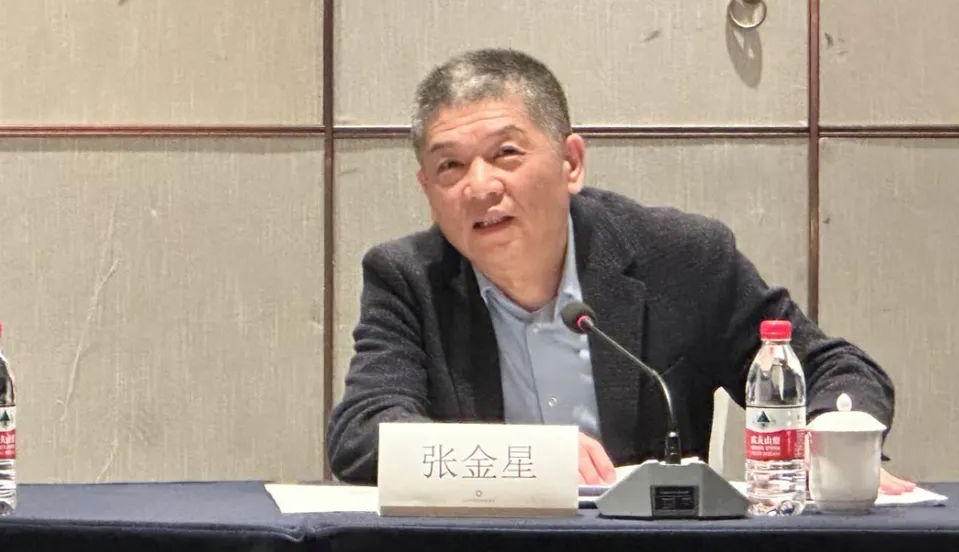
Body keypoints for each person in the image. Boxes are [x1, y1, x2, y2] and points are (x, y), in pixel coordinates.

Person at [327, 48, 914, 493]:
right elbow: (363, 433)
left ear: (570, 162)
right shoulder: (408, 278)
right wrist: (526, 459)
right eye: (450, 167)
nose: (480, 186)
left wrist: (833, 438)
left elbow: (832, 368)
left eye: (506, 154)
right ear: (427, 189)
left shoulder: (680, 258)